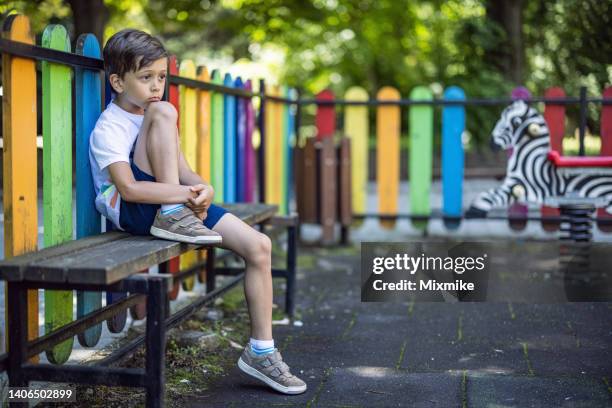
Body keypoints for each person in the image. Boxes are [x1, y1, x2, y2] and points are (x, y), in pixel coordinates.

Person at [89, 28, 306, 395]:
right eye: (146, 78)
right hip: (139, 211)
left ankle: (260, 352)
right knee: (164, 111)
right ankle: (174, 213)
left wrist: (202, 188)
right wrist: (180, 196)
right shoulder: (110, 127)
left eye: (161, 77)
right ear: (117, 81)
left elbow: (184, 170)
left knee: (259, 246)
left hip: (174, 206)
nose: (156, 86)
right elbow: (129, 189)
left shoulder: (154, 117)